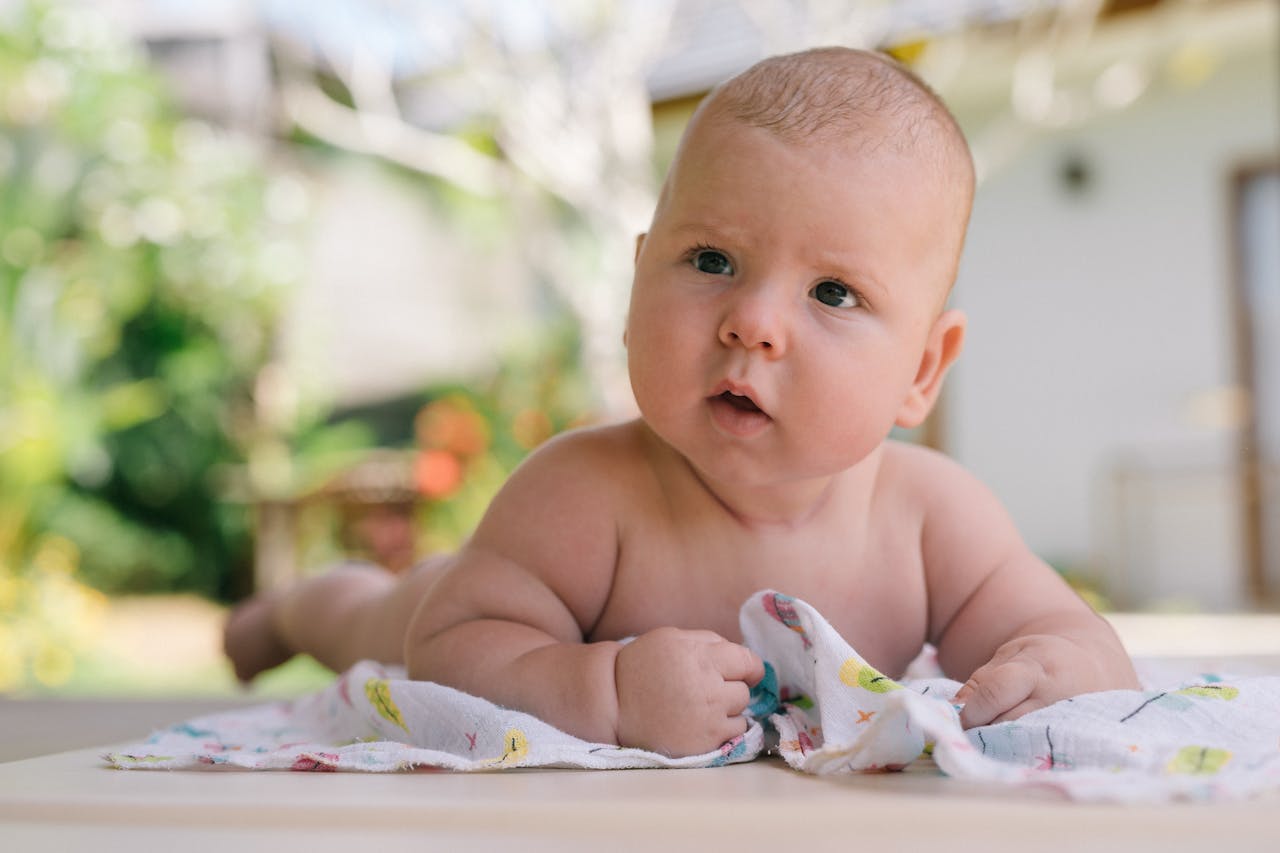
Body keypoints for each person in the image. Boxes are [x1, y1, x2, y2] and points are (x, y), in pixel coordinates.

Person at [225, 46, 1139, 759]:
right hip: (427, 606)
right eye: (711, 262)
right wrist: (608, 689)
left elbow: (1060, 629)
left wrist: (1066, 667)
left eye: (832, 293)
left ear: (923, 370)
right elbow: (449, 648)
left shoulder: (932, 519)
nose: (753, 324)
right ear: (636, 280)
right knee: (368, 617)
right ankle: (299, 608)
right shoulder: (583, 493)